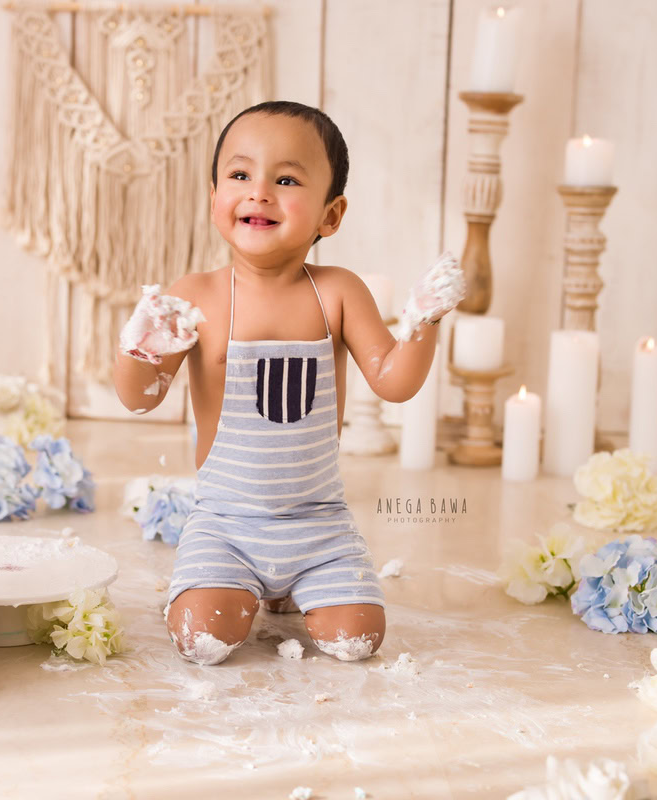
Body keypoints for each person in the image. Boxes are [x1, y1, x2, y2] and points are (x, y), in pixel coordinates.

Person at [113, 100, 464, 666]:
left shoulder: (339, 291)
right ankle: (238, 585)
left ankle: (299, 585)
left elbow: (394, 383)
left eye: (285, 179)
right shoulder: (197, 293)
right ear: (213, 200)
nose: (259, 192)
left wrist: (423, 322)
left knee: (357, 641)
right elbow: (137, 397)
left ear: (331, 214)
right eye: (240, 174)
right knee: (202, 641)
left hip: (319, 524)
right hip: (225, 524)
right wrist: (141, 346)